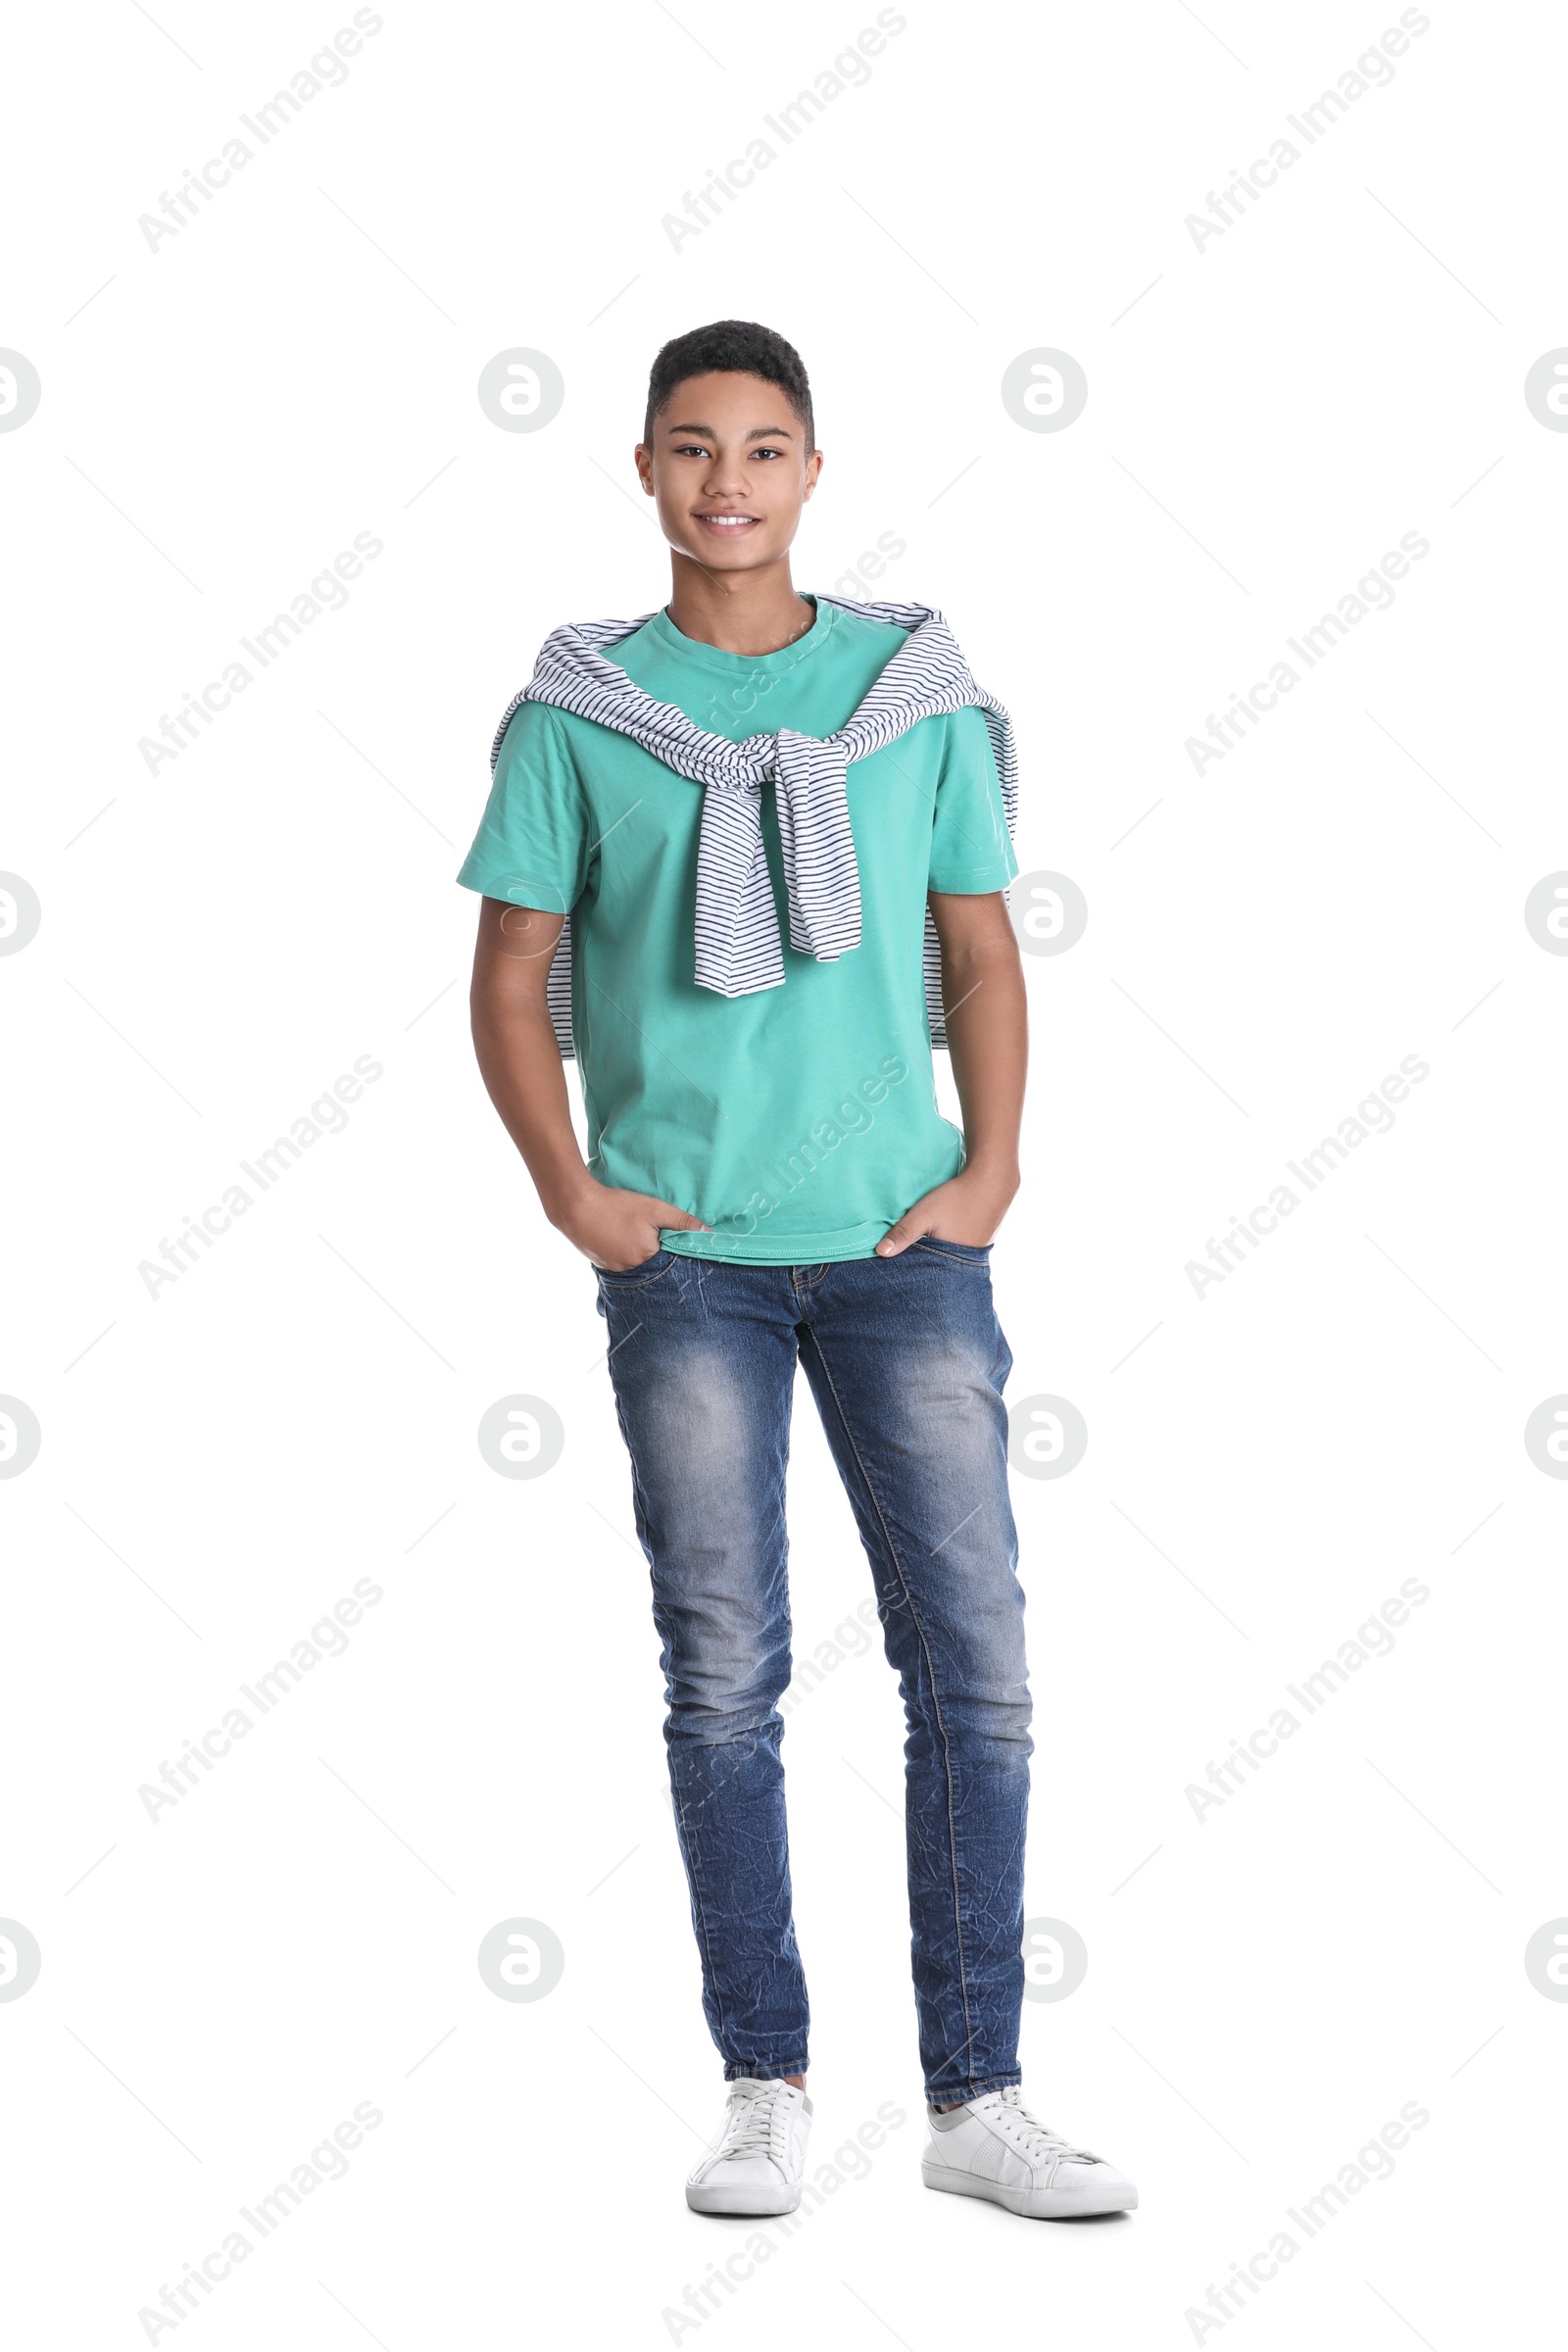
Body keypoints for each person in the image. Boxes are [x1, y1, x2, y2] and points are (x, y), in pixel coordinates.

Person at [460, 319, 1136, 2223]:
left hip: (901, 1245)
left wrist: (990, 1168)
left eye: (763, 447)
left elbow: (982, 948)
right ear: (645, 472)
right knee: (724, 1676)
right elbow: (511, 971)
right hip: (688, 1257)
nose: (727, 480)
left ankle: (973, 2097)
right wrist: (565, 1191)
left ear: (813, 472)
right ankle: (762, 2081)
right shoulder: (580, 713)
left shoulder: (906, 692)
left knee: (976, 1674)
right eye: (690, 447)